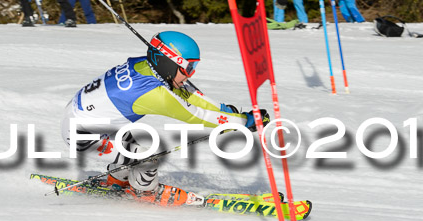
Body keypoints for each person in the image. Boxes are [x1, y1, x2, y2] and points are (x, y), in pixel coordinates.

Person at [61, 31, 269, 204]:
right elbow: (197, 115)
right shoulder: (154, 94)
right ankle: (145, 193)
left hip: (89, 120)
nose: (190, 74)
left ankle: (117, 181)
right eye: (188, 68)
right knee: (145, 155)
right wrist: (244, 122)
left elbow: (190, 94)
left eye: (193, 68)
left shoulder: (147, 67)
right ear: (169, 63)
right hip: (82, 135)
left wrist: (227, 111)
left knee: (131, 146)